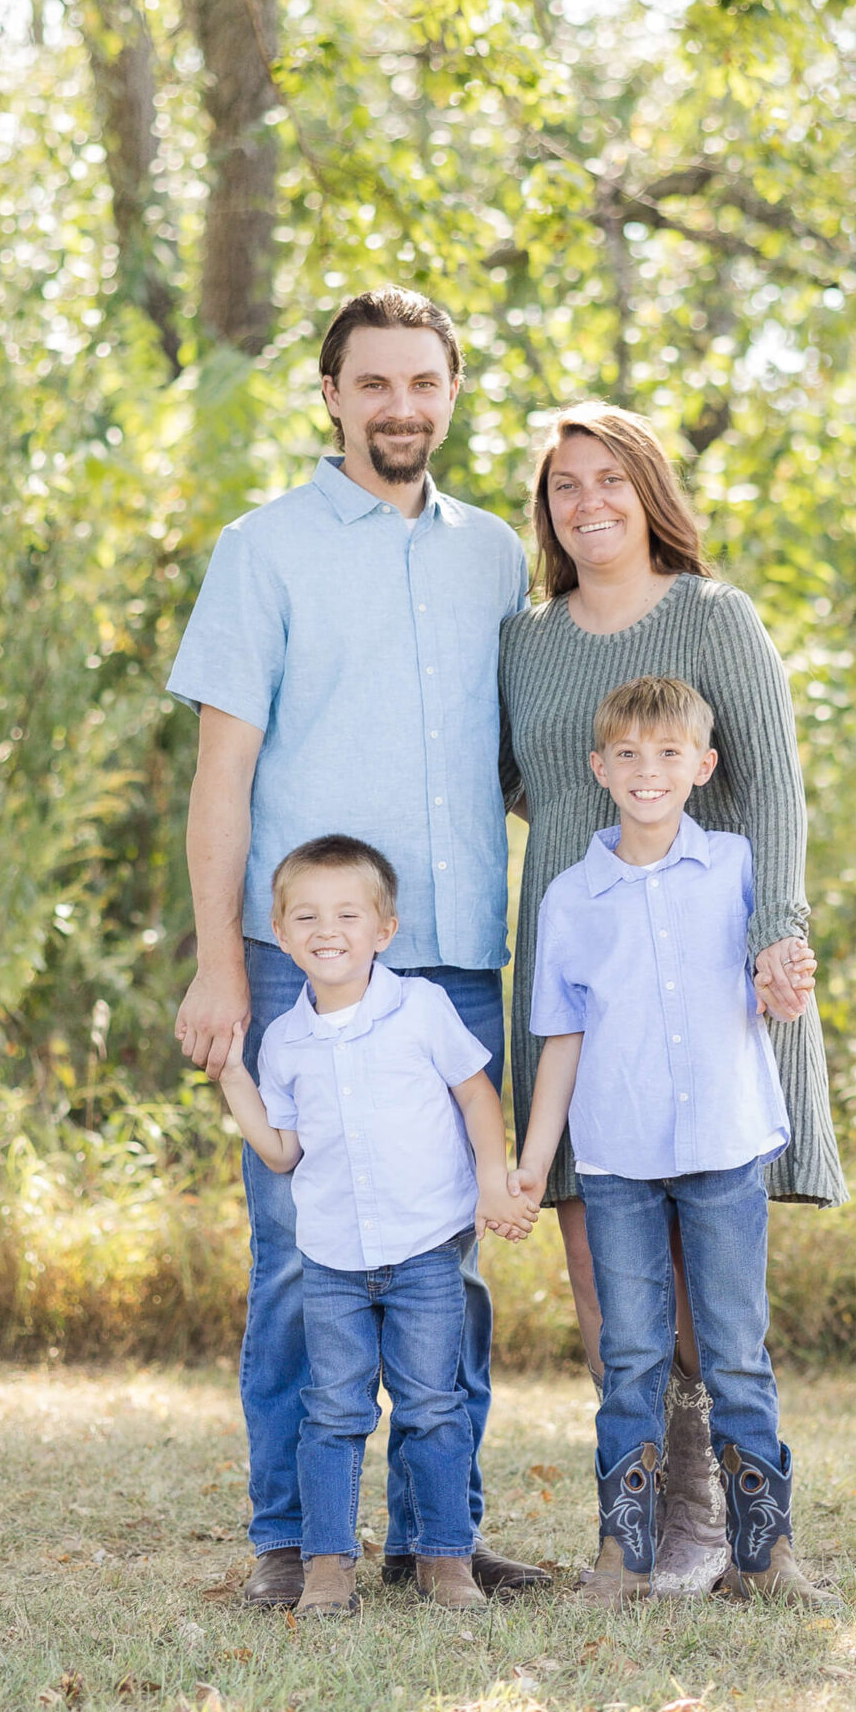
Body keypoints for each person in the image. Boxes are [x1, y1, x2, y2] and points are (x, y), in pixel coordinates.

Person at [168, 287, 551, 1608]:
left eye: (424, 384)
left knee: (445, 1259)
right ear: (330, 395)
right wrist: (221, 958)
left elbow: (524, 756)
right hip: (305, 966)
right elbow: (222, 779)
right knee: (299, 1252)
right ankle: (294, 1539)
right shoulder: (261, 550)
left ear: (452, 394)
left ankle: (441, 1536)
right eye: (374, 383)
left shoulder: (496, 554)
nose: (401, 407)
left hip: (450, 952)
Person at [498, 402, 848, 1596]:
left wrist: (775, 935)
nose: (585, 503)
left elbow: (777, 791)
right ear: (544, 510)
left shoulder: (713, 616)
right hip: (580, 948)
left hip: (708, 961)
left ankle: (723, 1525)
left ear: (647, 488)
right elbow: (522, 783)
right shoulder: (528, 639)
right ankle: (642, 1524)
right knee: (602, 1260)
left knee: (709, 1275)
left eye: (607, 478)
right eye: (562, 486)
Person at [516, 675, 833, 1604]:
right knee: (633, 1354)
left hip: (726, 1149)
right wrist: (536, 1162)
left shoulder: (738, 868)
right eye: (627, 755)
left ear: (704, 765)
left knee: (735, 1347)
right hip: (618, 1159)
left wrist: (787, 986)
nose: (646, 771)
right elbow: (561, 1037)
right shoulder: (573, 897)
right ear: (598, 768)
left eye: (667, 754)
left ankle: (764, 1557)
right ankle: (626, 1555)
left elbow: (776, 979)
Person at [213, 836, 538, 1616]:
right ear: (282, 933)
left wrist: (493, 1181)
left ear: (383, 929)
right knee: (334, 1412)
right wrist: (232, 1074)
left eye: (348, 914)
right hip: (332, 1264)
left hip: (426, 1250)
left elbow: (476, 1094)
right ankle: (328, 1566)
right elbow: (282, 1151)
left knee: (433, 1405)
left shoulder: (420, 1008)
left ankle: (444, 1560)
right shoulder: (284, 1040)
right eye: (308, 916)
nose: (329, 929)